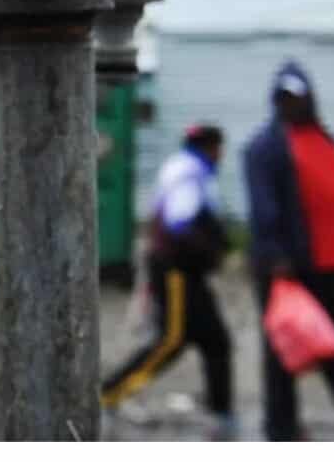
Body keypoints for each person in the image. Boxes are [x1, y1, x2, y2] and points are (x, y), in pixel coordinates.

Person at [242, 61, 334, 441]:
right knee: (283, 354)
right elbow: (263, 208)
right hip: (289, 269)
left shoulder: (326, 140)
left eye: (297, 97)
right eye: (284, 98)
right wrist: (276, 258)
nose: (291, 104)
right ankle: (281, 430)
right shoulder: (266, 147)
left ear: (309, 98)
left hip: (330, 266)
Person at [102, 124, 236, 440]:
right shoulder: (188, 172)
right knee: (172, 339)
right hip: (178, 270)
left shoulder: (190, 169)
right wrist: (211, 249)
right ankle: (108, 394)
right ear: (209, 147)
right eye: (218, 148)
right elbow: (180, 222)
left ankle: (221, 413)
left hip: (188, 271)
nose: (221, 155)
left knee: (215, 341)